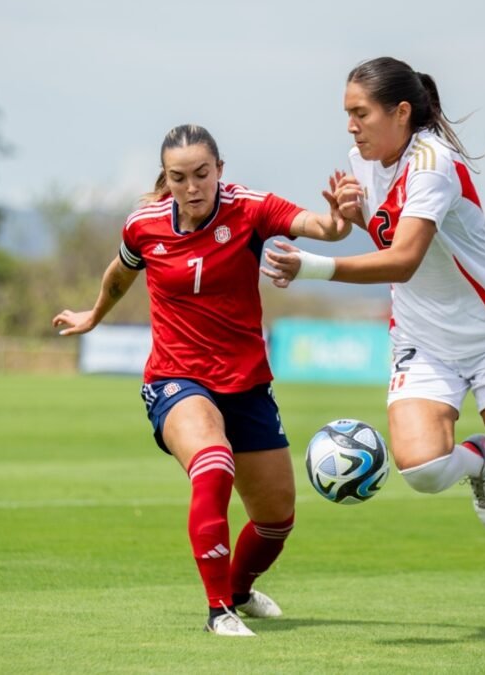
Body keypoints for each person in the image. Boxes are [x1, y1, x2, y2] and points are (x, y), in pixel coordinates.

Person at [262, 57, 485, 639]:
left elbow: (403, 257)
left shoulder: (434, 164)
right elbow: (380, 232)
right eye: (346, 114)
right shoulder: (365, 160)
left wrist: (313, 268)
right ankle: (477, 459)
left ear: (401, 112)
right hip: (424, 340)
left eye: (360, 113)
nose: (350, 126)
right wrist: (350, 216)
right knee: (423, 470)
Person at [53, 124, 350, 637]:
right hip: (176, 378)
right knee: (214, 463)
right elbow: (120, 273)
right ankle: (220, 612)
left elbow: (322, 227)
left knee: (276, 520)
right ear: (165, 179)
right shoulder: (143, 224)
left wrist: (341, 219)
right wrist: (93, 315)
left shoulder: (251, 209)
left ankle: (238, 590)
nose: (191, 187)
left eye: (201, 174)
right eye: (178, 177)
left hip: (247, 383)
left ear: (220, 170)